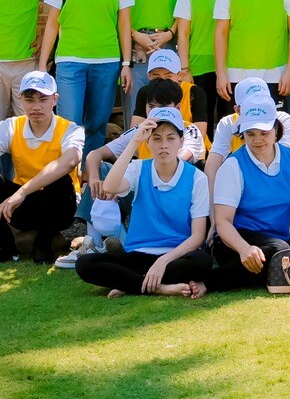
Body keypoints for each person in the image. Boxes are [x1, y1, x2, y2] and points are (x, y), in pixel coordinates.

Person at [77, 106, 212, 297]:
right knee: (84, 264)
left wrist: (162, 261)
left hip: (176, 255)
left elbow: (197, 237)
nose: (164, 145)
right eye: (156, 138)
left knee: (202, 261)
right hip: (138, 254)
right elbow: (110, 186)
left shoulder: (197, 178)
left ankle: (131, 282)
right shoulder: (138, 168)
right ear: (147, 142)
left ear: (181, 142)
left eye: (170, 138)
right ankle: (159, 287)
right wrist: (134, 142)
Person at [0, 70, 86, 264]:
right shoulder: (11, 126)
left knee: (61, 179)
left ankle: (44, 244)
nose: (36, 107)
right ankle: (4, 245)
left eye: (43, 99)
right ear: (20, 99)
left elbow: (71, 161)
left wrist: (22, 192)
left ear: (55, 100)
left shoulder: (71, 129)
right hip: (21, 206)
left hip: (59, 207)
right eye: (29, 100)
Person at [206, 98, 290, 292]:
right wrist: (244, 249)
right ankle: (209, 282)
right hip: (236, 243)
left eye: (264, 133)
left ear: (276, 130)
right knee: (282, 251)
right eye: (250, 133)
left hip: (276, 240)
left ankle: (273, 272)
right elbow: (223, 222)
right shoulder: (232, 165)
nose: (257, 139)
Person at [37, 0, 133, 139]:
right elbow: (52, 24)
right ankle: (69, 163)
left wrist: (126, 64)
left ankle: (91, 162)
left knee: (97, 125)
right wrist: (42, 65)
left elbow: (124, 24)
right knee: (68, 123)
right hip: (70, 61)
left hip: (107, 62)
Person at [173, 0, 233, 134]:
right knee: (200, 125)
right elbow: (182, 34)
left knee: (229, 123)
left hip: (230, 65)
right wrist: (185, 69)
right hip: (198, 67)